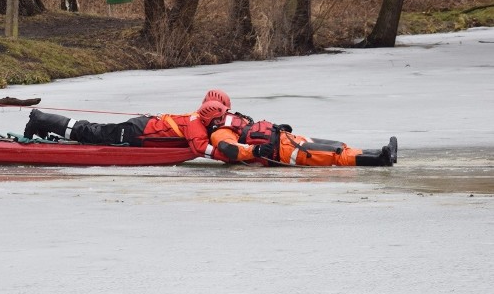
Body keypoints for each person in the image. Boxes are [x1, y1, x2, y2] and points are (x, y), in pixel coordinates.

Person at [198, 100, 398, 167]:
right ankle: (381, 159)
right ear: (215, 117)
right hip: (283, 152)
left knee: (337, 145)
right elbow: (230, 149)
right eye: (224, 112)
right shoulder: (220, 133)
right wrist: (257, 150)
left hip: (285, 140)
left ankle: (379, 152)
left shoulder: (230, 125)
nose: (229, 113)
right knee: (333, 155)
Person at [23, 106, 218, 159]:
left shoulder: (195, 119)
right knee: (90, 133)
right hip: (136, 133)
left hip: (140, 128)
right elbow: (199, 147)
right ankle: (41, 119)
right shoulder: (197, 127)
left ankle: (44, 122)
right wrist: (226, 153)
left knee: (92, 131)